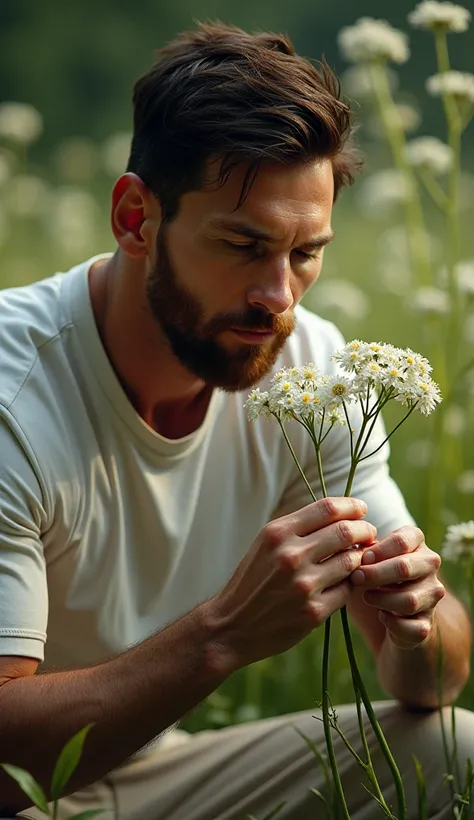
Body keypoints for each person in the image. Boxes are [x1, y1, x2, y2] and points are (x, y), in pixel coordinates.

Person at [0, 21, 471, 820]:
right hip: (25, 791)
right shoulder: (18, 396)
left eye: (304, 253)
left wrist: (420, 624)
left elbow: (428, 685)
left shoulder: (316, 372)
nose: (280, 298)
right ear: (135, 219)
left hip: (155, 775)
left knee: (451, 751)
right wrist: (222, 635)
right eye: (244, 245)